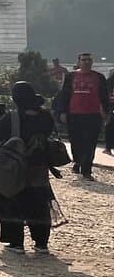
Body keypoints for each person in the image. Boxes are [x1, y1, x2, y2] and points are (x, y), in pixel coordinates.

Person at [0, 82, 59, 254]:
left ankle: (16, 242)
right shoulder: (45, 116)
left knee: (12, 203)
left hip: (15, 166)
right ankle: (41, 242)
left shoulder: (13, 117)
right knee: (39, 204)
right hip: (39, 167)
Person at [54, 53, 110, 181]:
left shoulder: (99, 77)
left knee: (90, 143)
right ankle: (77, 161)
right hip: (74, 115)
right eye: (83, 60)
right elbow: (64, 95)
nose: (86, 62)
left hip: (93, 115)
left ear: (92, 62)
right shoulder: (70, 76)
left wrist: (106, 112)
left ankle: (86, 170)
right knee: (76, 142)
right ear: (78, 62)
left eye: (89, 60)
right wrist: (62, 112)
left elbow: (104, 97)